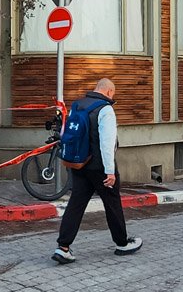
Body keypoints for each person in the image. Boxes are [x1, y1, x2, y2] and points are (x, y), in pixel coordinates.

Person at [52, 78, 143, 263]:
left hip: (79, 164)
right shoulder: (105, 109)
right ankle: (122, 243)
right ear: (109, 91)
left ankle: (63, 247)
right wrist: (110, 171)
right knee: (112, 204)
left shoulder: (78, 105)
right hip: (99, 167)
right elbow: (107, 144)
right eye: (113, 94)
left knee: (76, 205)